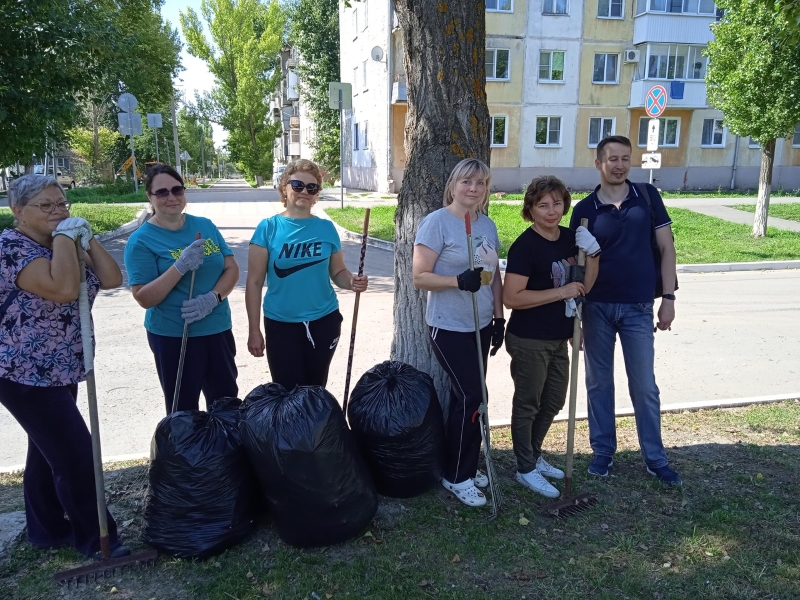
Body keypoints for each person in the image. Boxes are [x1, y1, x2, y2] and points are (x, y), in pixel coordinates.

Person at [0, 175, 128, 558]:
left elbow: (111, 278)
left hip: (62, 368)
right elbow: (63, 289)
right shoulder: (10, 248)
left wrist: (85, 238)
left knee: (46, 451)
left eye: (63, 203)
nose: (58, 211)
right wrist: (63, 238)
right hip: (23, 373)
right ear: (18, 212)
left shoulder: (68, 240)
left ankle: (47, 529)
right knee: (74, 454)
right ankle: (98, 539)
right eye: (47, 205)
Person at [569, 135, 681, 486]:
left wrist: (669, 298)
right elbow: (575, 265)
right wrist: (577, 317)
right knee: (599, 383)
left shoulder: (647, 198)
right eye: (612, 159)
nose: (619, 165)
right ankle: (603, 452)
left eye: (624, 159)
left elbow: (667, 249)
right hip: (596, 307)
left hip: (637, 307)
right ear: (598, 163)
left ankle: (655, 457)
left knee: (644, 385)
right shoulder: (584, 210)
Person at [412, 158, 505, 507]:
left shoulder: (488, 224)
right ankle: (457, 476)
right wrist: (456, 280)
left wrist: (498, 318)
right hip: (448, 327)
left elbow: (493, 276)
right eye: (466, 181)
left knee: (464, 399)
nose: (473, 189)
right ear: (453, 185)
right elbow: (419, 276)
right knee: (472, 396)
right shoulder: (436, 223)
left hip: (480, 324)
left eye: (481, 183)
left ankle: (461, 462)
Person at [502, 176, 601, 499]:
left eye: (557, 203)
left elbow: (584, 285)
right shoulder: (525, 247)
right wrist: (560, 292)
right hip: (529, 338)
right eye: (543, 205)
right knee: (528, 404)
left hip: (561, 335)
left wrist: (594, 254)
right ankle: (525, 468)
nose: (551, 211)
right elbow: (512, 298)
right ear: (530, 209)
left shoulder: (572, 238)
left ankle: (534, 452)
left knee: (554, 400)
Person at [124, 164, 239, 414]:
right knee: (183, 412)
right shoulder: (141, 240)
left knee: (227, 405)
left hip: (217, 329)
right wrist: (180, 266)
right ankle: (188, 455)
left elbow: (231, 268)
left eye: (177, 190)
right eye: (162, 192)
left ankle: (224, 454)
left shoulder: (204, 225)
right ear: (150, 197)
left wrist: (213, 298)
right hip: (175, 336)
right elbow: (144, 297)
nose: (171, 197)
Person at [246, 159, 368, 390]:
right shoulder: (268, 228)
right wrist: (254, 330)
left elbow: (338, 271)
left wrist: (352, 282)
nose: (304, 191)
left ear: (316, 194)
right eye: (298, 185)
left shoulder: (326, 228)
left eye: (312, 188)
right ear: (284, 187)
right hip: (281, 324)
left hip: (324, 320)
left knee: (316, 390)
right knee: (287, 394)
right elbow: (253, 282)